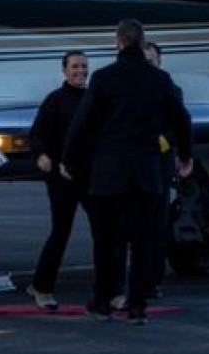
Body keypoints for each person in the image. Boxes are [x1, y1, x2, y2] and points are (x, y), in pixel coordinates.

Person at [62, 20, 193, 325]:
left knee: (107, 241)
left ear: (118, 42)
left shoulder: (103, 78)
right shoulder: (159, 79)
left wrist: (68, 157)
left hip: (109, 174)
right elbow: (182, 119)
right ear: (142, 43)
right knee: (144, 241)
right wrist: (186, 155)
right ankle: (136, 306)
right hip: (146, 173)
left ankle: (102, 301)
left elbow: (82, 121)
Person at [26, 50, 90, 311]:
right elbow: (37, 133)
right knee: (61, 232)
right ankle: (41, 287)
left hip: (89, 175)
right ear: (64, 70)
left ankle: (112, 290)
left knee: (106, 232)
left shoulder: (93, 99)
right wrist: (41, 155)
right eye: (75, 67)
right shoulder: (55, 100)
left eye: (84, 66)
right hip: (61, 177)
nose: (80, 71)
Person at [143, 40, 178, 297]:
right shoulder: (126, 89)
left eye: (151, 61)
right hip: (132, 170)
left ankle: (153, 282)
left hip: (158, 169)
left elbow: (178, 124)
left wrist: (160, 143)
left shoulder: (169, 88)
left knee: (157, 229)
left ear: (159, 62)